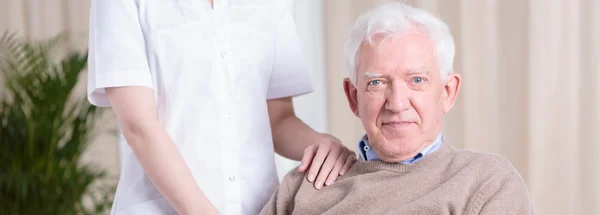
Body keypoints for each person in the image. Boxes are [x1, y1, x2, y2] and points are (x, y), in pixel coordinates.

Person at [259, 2, 532, 215]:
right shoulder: (304, 185)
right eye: (377, 82)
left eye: (417, 80)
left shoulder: (486, 182)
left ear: (447, 92)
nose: (397, 103)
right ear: (353, 97)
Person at [86, 0, 356, 214]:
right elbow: (139, 126)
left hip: (259, 207)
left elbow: (278, 120)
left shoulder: (269, 4)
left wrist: (323, 143)